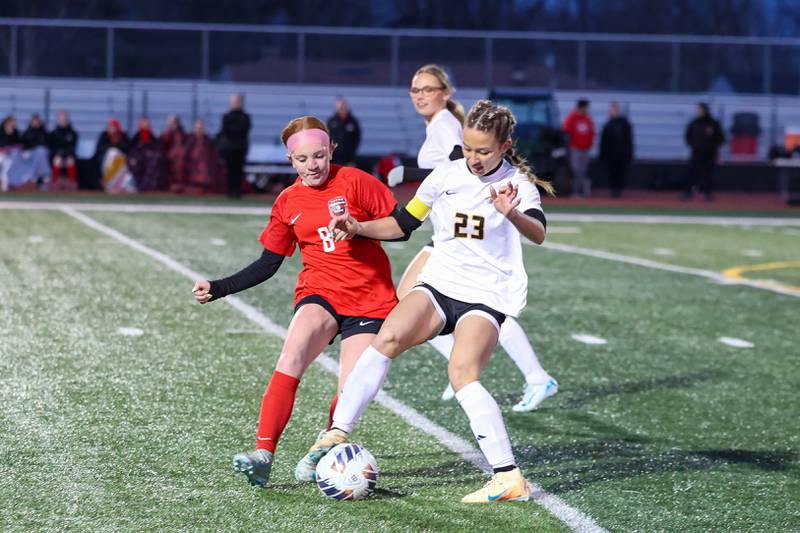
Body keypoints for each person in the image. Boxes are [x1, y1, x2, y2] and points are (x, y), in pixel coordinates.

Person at [301, 100, 555, 503]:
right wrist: (359, 227)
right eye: (468, 148)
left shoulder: (517, 185)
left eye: (483, 151)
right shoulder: (446, 176)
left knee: (462, 375)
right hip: (440, 283)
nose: (473, 158)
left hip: (486, 294)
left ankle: (507, 477)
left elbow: (539, 233)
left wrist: (511, 214)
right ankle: (337, 429)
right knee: (386, 338)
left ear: (504, 145)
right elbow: (403, 224)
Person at [191, 116, 399, 489]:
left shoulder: (357, 181)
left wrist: (360, 227)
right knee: (291, 357)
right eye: (302, 159)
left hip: (370, 299)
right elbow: (268, 264)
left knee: (352, 387)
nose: (312, 165)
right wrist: (219, 287)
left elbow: (400, 227)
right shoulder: (288, 201)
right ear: (290, 161)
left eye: (319, 155)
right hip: (320, 292)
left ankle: (324, 445)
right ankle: (263, 454)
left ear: (331, 150)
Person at [390, 64, 557, 412]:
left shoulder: (447, 126)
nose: (420, 95)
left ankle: (520, 374)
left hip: (462, 233)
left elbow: (463, 165)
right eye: (414, 89)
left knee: (479, 304)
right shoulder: (437, 125)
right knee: (413, 296)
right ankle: (501, 370)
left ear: (445, 93)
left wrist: (408, 172)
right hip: (448, 231)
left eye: (428, 89)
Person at [683, 102, 725, 201]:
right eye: (698, 110)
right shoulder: (694, 123)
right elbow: (688, 136)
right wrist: (692, 144)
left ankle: (708, 194)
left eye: (700, 110)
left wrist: (713, 147)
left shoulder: (713, 123)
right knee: (692, 173)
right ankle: (689, 193)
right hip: (696, 152)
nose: (698, 112)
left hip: (709, 153)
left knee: (708, 174)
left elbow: (720, 138)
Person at [0, 115, 50, 191]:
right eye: (12, 123)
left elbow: (19, 145)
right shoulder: (2, 132)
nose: (13, 124)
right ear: (6, 123)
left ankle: (10, 182)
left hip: (11, 155)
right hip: (2, 154)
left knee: (11, 160)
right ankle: (5, 182)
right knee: (6, 161)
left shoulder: (15, 132)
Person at [216, 93, 251, 199]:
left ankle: (238, 192)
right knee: (229, 171)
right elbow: (226, 131)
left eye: (237, 101)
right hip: (229, 149)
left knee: (239, 171)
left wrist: (234, 130)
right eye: (234, 101)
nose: (235, 103)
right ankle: (229, 192)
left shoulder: (245, 117)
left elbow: (243, 130)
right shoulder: (226, 116)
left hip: (240, 148)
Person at [599, 102, 634, 198]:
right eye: (612, 110)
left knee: (621, 173)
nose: (613, 112)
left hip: (622, 155)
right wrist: (602, 154)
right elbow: (603, 141)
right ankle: (614, 189)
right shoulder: (607, 125)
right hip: (611, 155)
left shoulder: (625, 124)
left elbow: (629, 140)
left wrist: (629, 153)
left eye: (615, 110)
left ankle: (619, 189)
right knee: (612, 173)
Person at [181, 118, 225, 194]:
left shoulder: (207, 139)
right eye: (197, 128)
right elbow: (186, 151)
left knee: (205, 162)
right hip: (192, 160)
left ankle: (205, 184)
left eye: (200, 127)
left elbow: (212, 152)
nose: (199, 129)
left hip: (205, 160)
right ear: (194, 128)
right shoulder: (190, 138)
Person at [562, 99, 595, 197]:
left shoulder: (588, 119)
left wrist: (589, 145)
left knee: (583, 171)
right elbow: (566, 130)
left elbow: (591, 133)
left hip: (585, 149)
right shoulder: (572, 117)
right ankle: (574, 191)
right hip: (575, 149)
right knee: (575, 170)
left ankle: (581, 192)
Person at [94, 118, 134, 193]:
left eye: (114, 127)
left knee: (117, 155)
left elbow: (127, 148)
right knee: (112, 152)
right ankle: (109, 185)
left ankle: (121, 186)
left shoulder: (122, 136)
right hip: (106, 161)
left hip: (120, 163)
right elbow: (100, 149)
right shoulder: (104, 135)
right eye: (111, 127)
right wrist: (113, 147)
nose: (112, 129)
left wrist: (116, 145)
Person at [129, 117, 167, 192]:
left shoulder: (153, 138)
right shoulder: (135, 138)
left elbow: (157, 149)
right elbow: (131, 152)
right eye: (143, 126)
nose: (145, 128)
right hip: (138, 162)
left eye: (147, 126)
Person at [48, 111, 79, 190]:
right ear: (58, 120)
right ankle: (54, 183)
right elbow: (52, 147)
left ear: (67, 119)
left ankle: (73, 184)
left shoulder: (73, 133)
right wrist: (59, 154)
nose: (62, 120)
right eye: (60, 119)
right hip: (57, 156)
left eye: (64, 118)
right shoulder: (53, 133)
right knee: (57, 161)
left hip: (68, 156)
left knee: (70, 161)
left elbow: (72, 147)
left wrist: (65, 155)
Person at [327, 97, 361, 166]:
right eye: (340, 107)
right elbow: (327, 136)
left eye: (343, 106)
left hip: (349, 158)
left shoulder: (353, 122)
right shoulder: (331, 121)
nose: (342, 109)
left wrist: (352, 151)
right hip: (335, 157)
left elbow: (357, 138)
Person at [159, 115, 188, 192]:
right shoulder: (166, 133)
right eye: (170, 123)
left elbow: (182, 145)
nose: (171, 124)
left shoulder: (181, 134)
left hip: (178, 157)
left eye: (173, 122)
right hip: (166, 157)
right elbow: (161, 145)